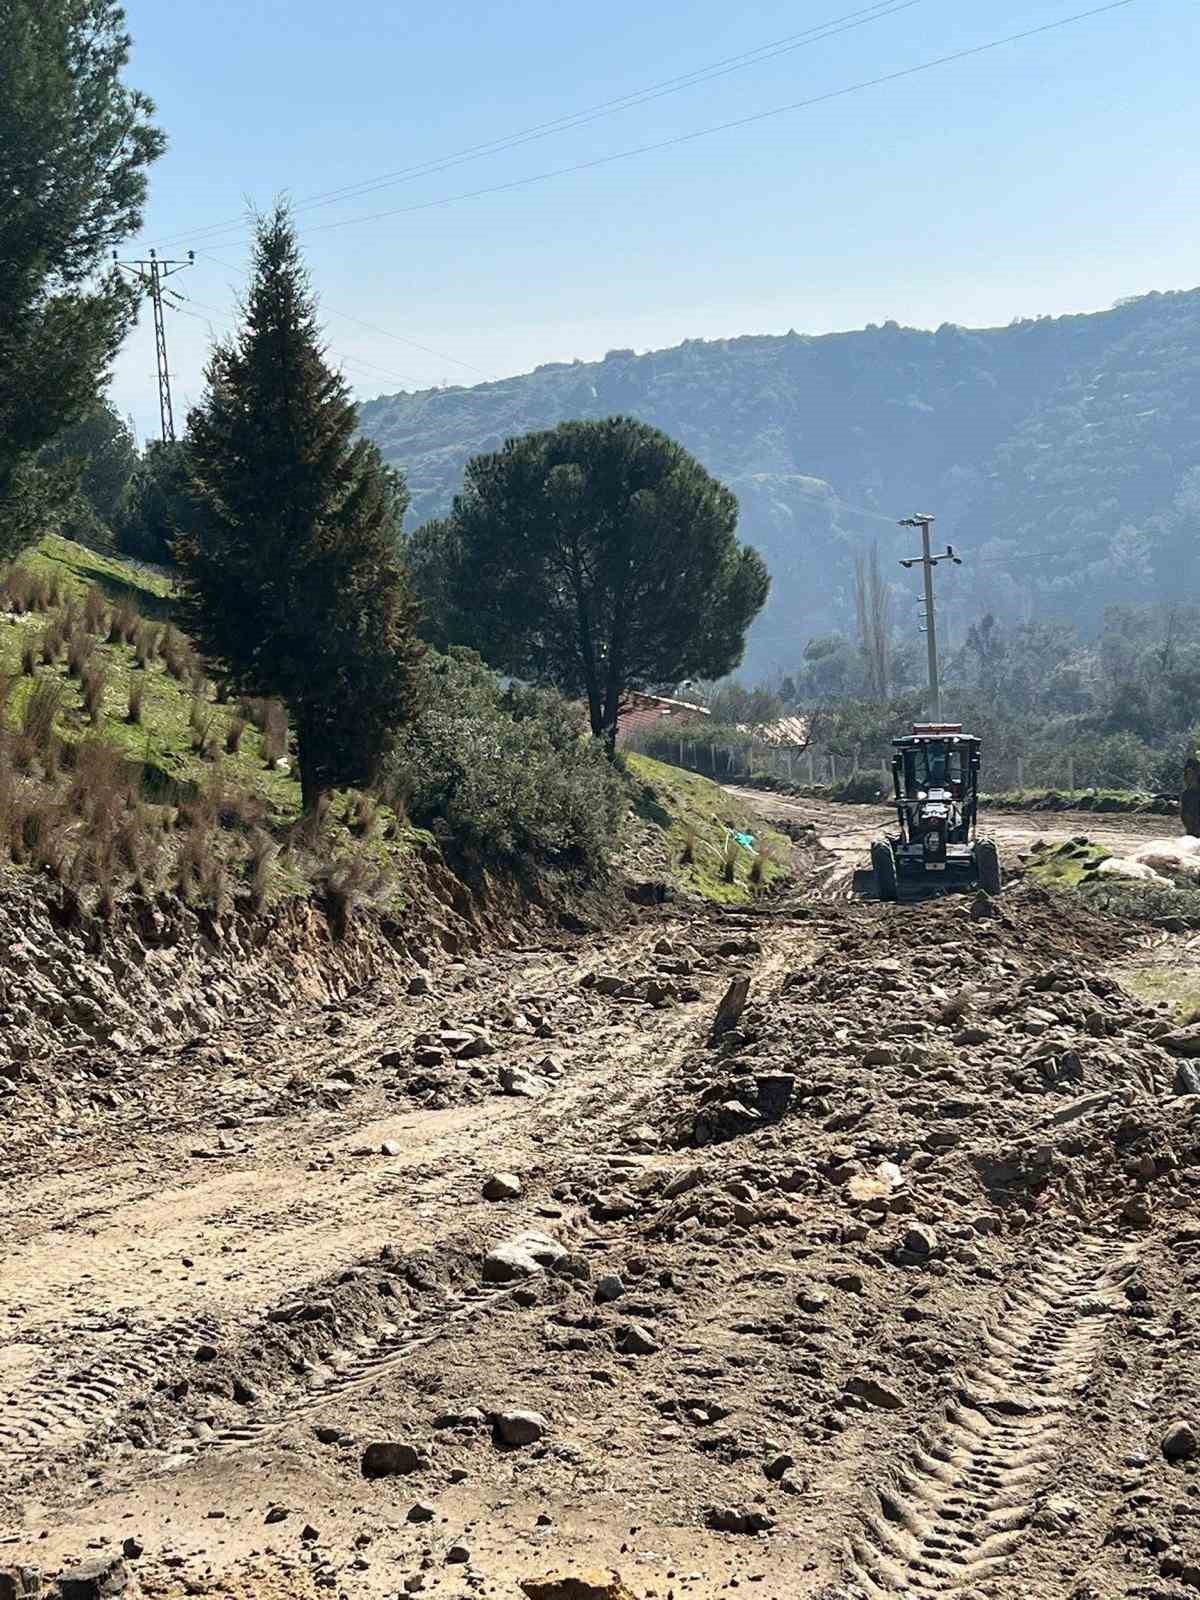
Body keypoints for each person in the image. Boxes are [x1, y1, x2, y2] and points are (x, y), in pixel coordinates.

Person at [1182, 757, 1200, 837]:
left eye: (1192, 773)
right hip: (1193, 834)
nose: (1189, 776)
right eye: (1187, 773)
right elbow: (1185, 816)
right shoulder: (1186, 795)